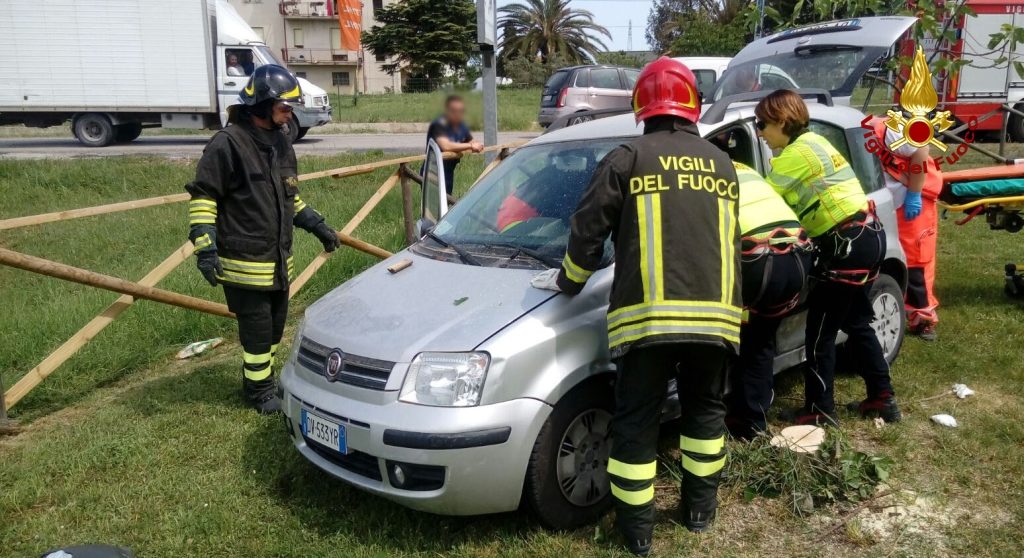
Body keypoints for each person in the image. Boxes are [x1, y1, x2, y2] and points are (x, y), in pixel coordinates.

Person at [531, 57, 741, 556]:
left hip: (645, 321)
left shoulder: (626, 158)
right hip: (716, 319)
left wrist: (570, 282)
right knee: (705, 417)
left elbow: (587, 230)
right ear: (692, 106)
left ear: (641, 106)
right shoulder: (723, 162)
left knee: (636, 424)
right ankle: (699, 513)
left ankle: (638, 533)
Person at [186, 65, 340, 414]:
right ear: (261, 104)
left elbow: (290, 198)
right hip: (245, 263)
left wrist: (317, 225)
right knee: (256, 335)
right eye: (285, 108)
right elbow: (204, 197)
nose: (291, 116)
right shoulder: (227, 144)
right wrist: (204, 246)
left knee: (273, 331)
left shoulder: (282, 142)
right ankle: (258, 394)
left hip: (278, 264)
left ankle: (263, 381)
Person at [755, 89, 901, 425]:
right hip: (867, 237)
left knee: (820, 333)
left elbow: (765, 199)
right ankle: (883, 397)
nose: (760, 132)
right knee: (857, 321)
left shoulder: (794, 155)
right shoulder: (817, 142)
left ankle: (820, 411)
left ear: (781, 120)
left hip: (846, 245)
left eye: (763, 124)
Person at [727, 161, 812, 439]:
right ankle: (753, 418)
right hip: (796, 253)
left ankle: (745, 419)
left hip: (757, 259)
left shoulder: (697, 175)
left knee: (742, 337)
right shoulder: (743, 168)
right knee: (760, 339)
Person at [866, 115, 941, 340]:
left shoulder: (885, 130)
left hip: (915, 197)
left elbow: (921, 147)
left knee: (917, 259)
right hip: (890, 201)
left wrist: (915, 194)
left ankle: (923, 318)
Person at [426, 95, 483, 195]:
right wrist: (470, 146)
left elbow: (471, 141)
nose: (458, 114)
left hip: (448, 172)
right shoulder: (439, 125)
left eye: (461, 110)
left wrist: (475, 144)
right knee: (436, 208)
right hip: (433, 172)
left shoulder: (461, 126)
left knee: (447, 205)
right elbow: (446, 146)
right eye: (454, 110)